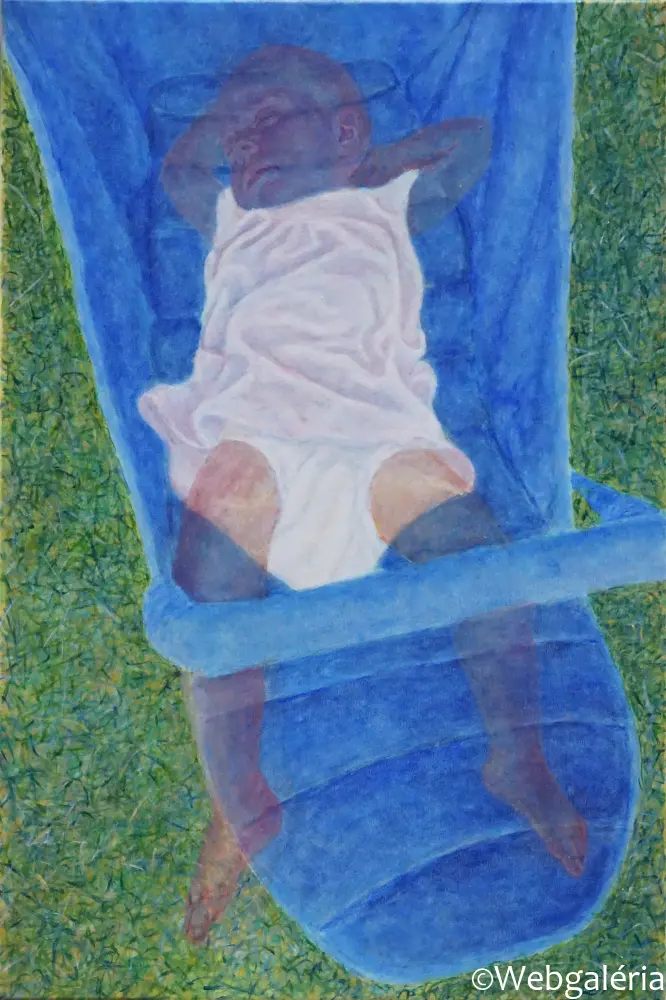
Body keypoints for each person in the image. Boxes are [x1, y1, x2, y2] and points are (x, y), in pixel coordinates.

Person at [139, 44, 588, 944]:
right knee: (223, 519)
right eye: (236, 134)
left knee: (475, 548)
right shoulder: (233, 218)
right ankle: (239, 793)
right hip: (256, 439)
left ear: (345, 133)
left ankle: (518, 753)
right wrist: (222, 130)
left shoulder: (382, 205)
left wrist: (367, 167)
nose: (245, 143)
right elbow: (180, 173)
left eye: (268, 121)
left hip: (379, 442)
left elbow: (470, 140)